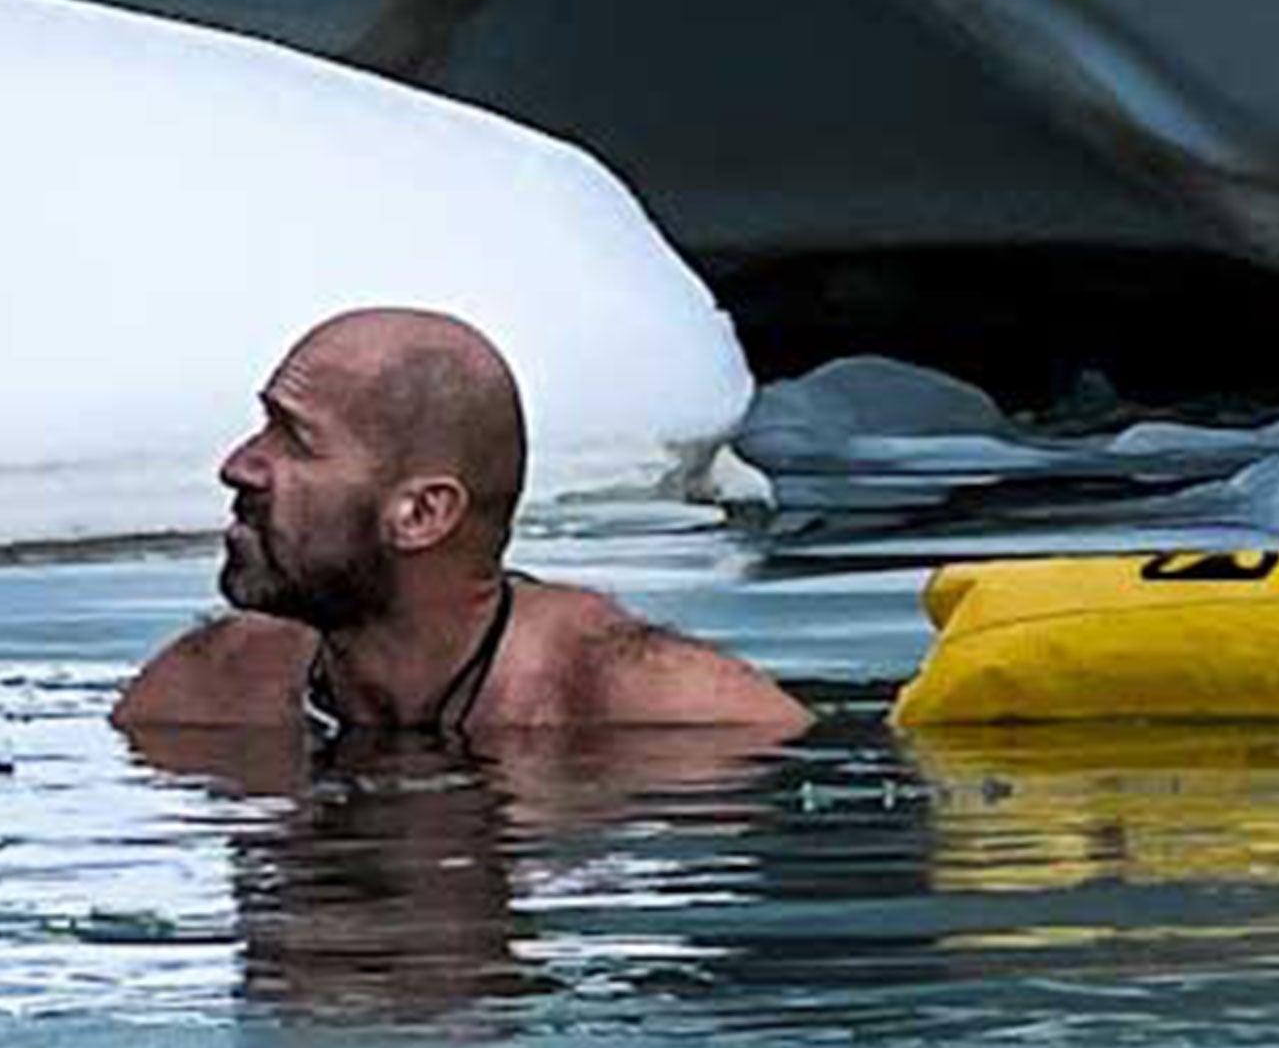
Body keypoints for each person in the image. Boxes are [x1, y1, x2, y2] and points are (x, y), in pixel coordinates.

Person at [113, 308, 810, 737]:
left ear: (421, 514)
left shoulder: (658, 707)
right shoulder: (211, 689)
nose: (238, 466)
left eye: (293, 440)